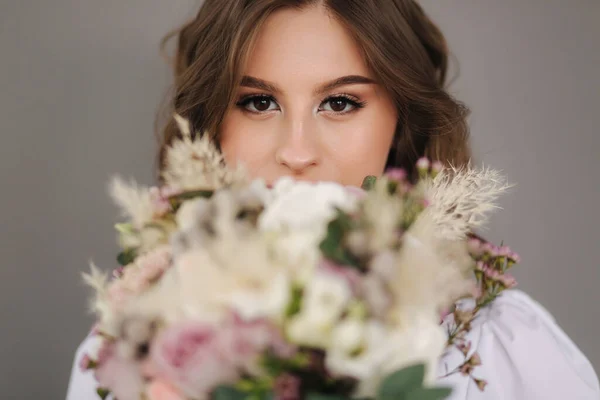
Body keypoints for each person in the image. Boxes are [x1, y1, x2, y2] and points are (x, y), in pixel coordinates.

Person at [67, 1, 599, 399]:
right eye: (258, 102)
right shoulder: (132, 346)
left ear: (399, 120)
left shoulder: (502, 343)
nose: (297, 152)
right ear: (212, 125)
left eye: (340, 102)